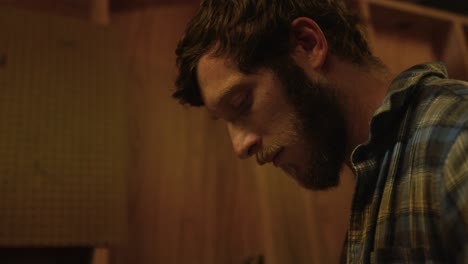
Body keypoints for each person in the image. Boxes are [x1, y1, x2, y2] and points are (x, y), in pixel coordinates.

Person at [171, 0, 468, 263]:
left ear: (308, 45)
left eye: (241, 101)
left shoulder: (456, 135)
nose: (239, 147)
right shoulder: (376, 186)